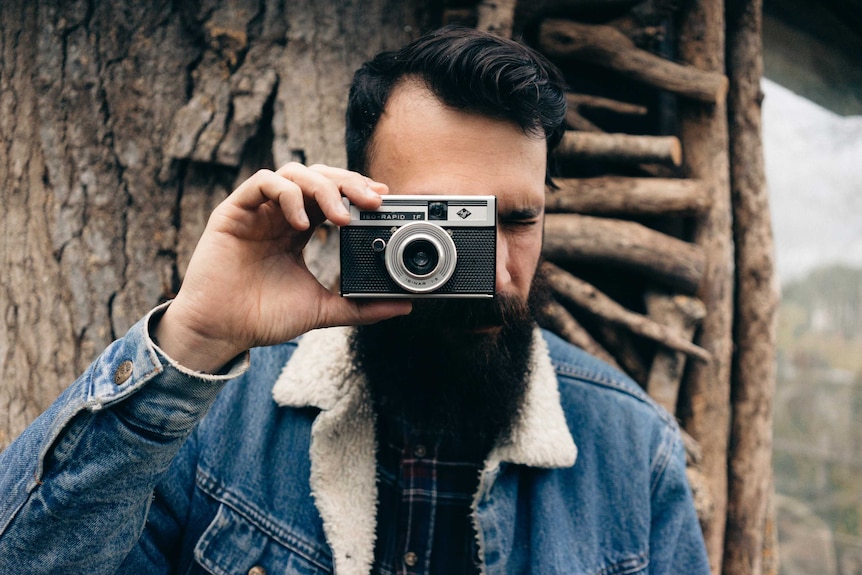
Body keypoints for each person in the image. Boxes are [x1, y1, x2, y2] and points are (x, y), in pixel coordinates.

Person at [0, 26, 709, 574]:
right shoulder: (216, 416)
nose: (489, 269)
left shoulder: (632, 449)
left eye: (516, 220)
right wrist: (192, 338)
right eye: (439, 229)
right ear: (358, 208)